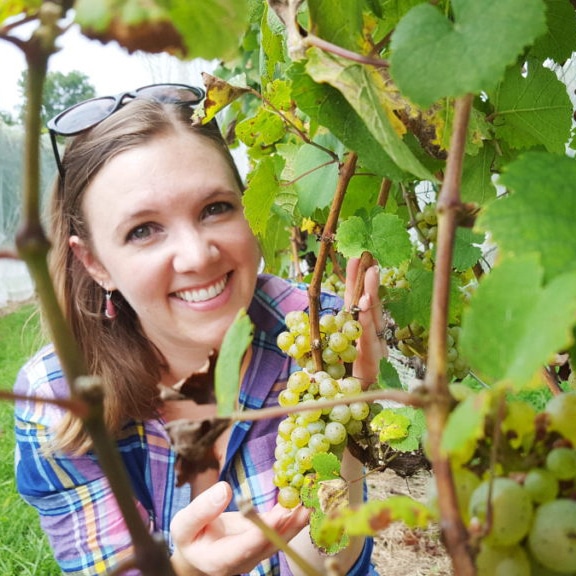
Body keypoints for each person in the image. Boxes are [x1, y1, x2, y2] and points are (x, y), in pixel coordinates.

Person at [13, 83, 387, 576]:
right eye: (143, 230)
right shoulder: (56, 397)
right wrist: (189, 569)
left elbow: (332, 565)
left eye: (215, 208)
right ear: (95, 263)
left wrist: (349, 411)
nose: (197, 255)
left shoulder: (316, 334)